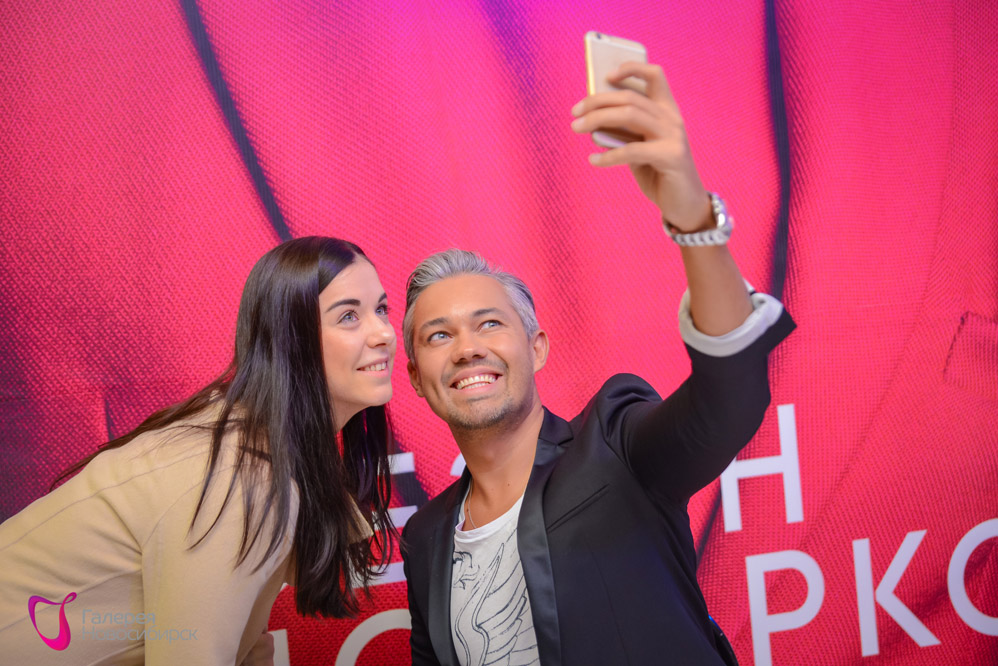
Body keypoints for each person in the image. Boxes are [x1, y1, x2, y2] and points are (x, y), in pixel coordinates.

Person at [400, 62, 796, 665]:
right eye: (438, 335)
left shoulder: (612, 445)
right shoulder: (425, 538)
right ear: (415, 378)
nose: (467, 348)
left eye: (490, 324)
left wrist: (694, 222)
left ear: (536, 347)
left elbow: (727, 399)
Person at [0, 237, 398, 664]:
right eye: (349, 316)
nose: (384, 333)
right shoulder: (239, 478)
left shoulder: (260, 446)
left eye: (381, 309)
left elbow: (244, 641)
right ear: (290, 340)